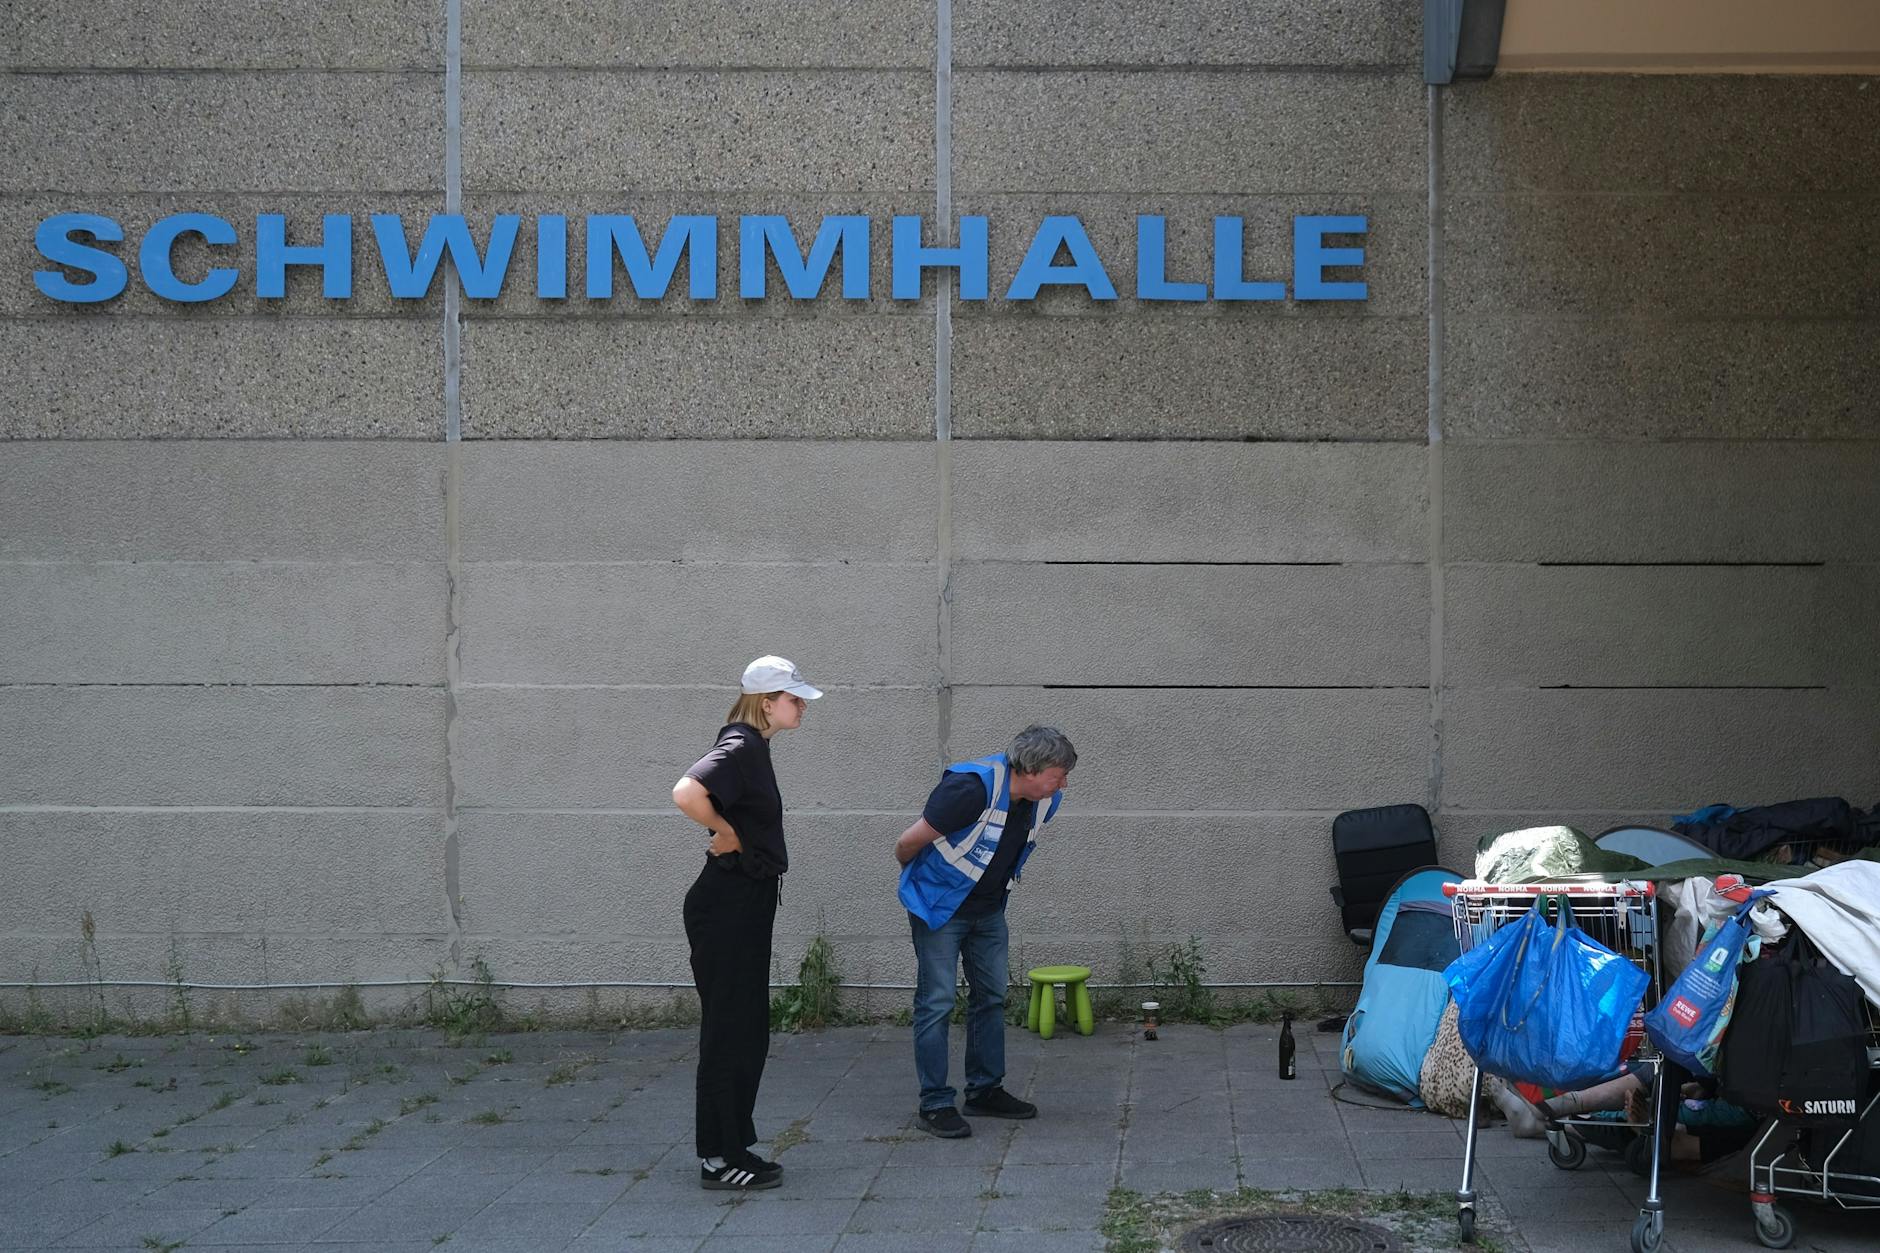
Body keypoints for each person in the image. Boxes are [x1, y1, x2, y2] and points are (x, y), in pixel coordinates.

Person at [671, 655, 821, 1190]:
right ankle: (718, 1157)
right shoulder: (740, 746)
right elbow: (686, 793)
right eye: (794, 698)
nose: (801, 706)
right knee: (729, 1030)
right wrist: (725, 831)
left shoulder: (753, 747)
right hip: (727, 905)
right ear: (766, 703)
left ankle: (736, 1142)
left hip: (745, 901)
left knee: (748, 1027)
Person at [895, 724, 1076, 1137]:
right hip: (939, 910)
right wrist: (920, 881)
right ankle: (936, 1104)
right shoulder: (969, 789)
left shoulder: (1044, 801)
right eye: (1059, 773)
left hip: (989, 912)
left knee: (991, 998)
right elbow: (907, 843)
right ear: (1031, 770)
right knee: (937, 1002)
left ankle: (984, 1091)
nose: (1063, 783)